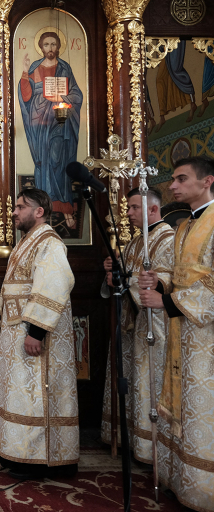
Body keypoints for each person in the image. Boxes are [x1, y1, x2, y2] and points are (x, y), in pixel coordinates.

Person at [0, 188, 78, 479]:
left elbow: (53, 285)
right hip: (17, 330)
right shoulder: (26, 241)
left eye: (21, 207)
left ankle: (37, 458)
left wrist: (36, 331)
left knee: (36, 393)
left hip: (35, 333)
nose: (14, 212)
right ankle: (18, 452)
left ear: (39, 212)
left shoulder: (49, 242)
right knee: (21, 393)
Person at [140, 155, 214, 511]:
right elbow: (178, 274)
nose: (173, 186)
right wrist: (160, 282)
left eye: (181, 179)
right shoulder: (183, 226)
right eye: (173, 179)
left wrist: (167, 301)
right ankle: (178, 479)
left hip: (206, 338)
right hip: (180, 332)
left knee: (202, 406)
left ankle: (203, 490)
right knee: (181, 401)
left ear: (207, 181)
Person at [100, 188, 174, 464]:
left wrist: (129, 280)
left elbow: (165, 280)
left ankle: (150, 448)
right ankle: (130, 439)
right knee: (130, 380)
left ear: (153, 209)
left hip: (155, 325)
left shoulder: (168, 239)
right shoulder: (133, 243)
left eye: (134, 208)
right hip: (131, 325)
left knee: (147, 381)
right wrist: (112, 274)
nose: (128, 213)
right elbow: (125, 278)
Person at [18, 32, 83, 230]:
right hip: (39, 124)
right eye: (46, 44)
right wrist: (24, 73)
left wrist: (62, 98)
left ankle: (65, 208)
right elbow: (26, 97)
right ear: (41, 47)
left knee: (58, 162)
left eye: (53, 44)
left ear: (58, 47)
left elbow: (77, 94)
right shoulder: (35, 68)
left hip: (60, 122)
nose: (50, 48)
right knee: (43, 163)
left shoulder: (64, 68)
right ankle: (42, 213)